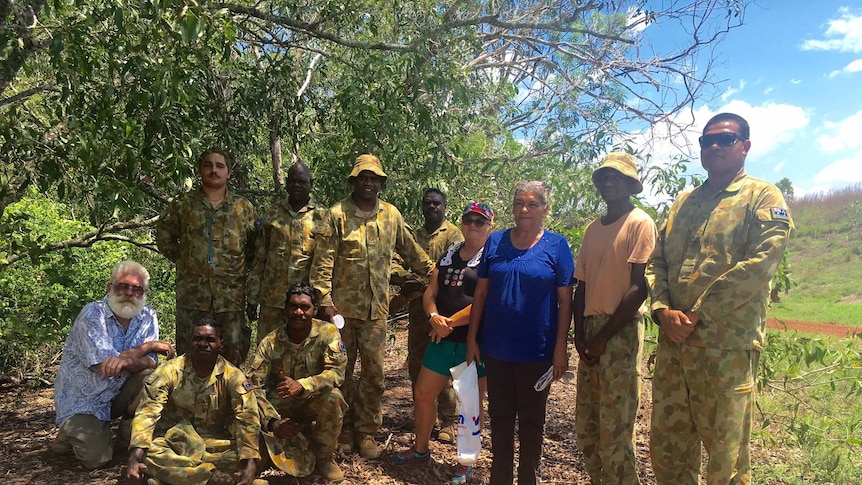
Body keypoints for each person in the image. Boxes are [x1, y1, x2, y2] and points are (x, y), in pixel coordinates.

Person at [646, 113, 793, 484]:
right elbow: (656, 260)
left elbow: (762, 264)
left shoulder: (762, 196)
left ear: (745, 146)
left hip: (724, 349)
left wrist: (699, 313)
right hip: (674, 348)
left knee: (725, 460)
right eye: (706, 141)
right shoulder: (683, 202)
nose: (713, 146)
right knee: (668, 450)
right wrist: (662, 310)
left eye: (725, 139)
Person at [309, 153, 435, 459]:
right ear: (354, 181)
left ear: (380, 183)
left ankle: (366, 432)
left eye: (374, 179)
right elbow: (322, 263)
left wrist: (435, 275)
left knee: (374, 376)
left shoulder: (391, 215)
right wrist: (324, 302)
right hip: (340, 314)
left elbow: (411, 250)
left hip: (376, 313)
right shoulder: (336, 214)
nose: (368, 183)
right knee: (341, 373)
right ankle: (343, 431)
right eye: (363, 177)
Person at [466, 181, 574, 485]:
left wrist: (560, 349)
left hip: (536, 353)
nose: (523, 210)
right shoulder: (496, 242)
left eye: (531, 204)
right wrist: (473, 339)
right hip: (497, 349)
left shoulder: (557, 246)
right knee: (500, 421)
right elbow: (482, 294)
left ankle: (529, 479)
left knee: (531, 424)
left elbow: (565, 300)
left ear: (544, 209)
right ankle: (499, 479)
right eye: (518, 203)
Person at [389, 202, 495, 485]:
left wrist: (448, 323)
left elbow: (485, 303)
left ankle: (465, 461)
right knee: (423, 393)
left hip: (471, 342)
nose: (473, 224)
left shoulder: (492, 259)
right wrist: (434, 315)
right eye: (469, 219)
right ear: (462, 223)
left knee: (470, 404)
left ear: (490, 227)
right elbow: (430, 292)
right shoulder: (449, 255)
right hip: (440, 339)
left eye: (480, 221)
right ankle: (421, 450)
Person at [572, 153, 657, 484]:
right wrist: (579, 336)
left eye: (616, 178)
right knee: (587, 427)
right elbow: (581, 286)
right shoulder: (593, 229)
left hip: (620, 332)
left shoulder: (640, 223)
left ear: (630, 184)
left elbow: (639, 289)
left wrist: (603, 337)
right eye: (604, 178)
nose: (608, 183)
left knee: (616, 430)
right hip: (591, 332)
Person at [52, 260, 174, 470]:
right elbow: (108, 365)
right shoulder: (93, 314)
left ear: (144, 292)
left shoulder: (148, 315)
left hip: (118, 393)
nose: (129, 292)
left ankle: (127, 436)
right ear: (109, 288)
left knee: (151, 376)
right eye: (123, 286)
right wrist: (149, 345)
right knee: (96, 461)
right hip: (86, 400)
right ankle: (68, 431)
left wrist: (133, 358)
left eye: (137, 289)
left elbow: (150, 364)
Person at [125, 318, 266, 485]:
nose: (203, 344)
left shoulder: (234, 376)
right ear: (190, 341)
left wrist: (250, 465)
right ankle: (215, 479)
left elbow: (247, 418)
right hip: (173, 441)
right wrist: (134, 459)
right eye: (197, 338)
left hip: (215, 443)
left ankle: (170, 478)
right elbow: (147, 413)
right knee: (151, 455)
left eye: (210, 340)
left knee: (252, 454)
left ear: (221, 343)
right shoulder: (168, 371)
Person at [156, 149, 259, 365]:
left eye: (220, 166)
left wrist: (236, 269)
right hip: (192, 295)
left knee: (232, 353)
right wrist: (186, 261)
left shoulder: (243, 208)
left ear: (229, 173)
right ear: (199, 170)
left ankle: (229, 397)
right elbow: (164, 237)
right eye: (208, 165)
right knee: (189, 353)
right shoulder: (183, 205)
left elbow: (255, 248)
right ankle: (188, 396)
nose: (214, 170)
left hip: (229, 297)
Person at [248, 282, 348, 482]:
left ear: (315, 310)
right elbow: (253, 386)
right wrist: (272, 421)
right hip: (279, 406)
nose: (299, 312)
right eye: (293, 306)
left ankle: (323, 457)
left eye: (305, 307)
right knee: (247, 410)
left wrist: (303, 385)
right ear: (285, 310)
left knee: (333, 397)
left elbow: (337, 373)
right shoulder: (270, 342)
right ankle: (267, 452)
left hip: (310, 400)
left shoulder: (328, 333)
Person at [390, 188, 463, 443]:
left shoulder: (454, 236)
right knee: (417, 363)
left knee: (441, 364)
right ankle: (423, 414)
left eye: (437, 203)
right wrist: (403, 277)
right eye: (427, 203)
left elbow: (451, 272)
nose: (432, 207)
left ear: (445, 206)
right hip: (417, 311)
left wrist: (420, 284)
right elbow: (396, 260)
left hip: (442, 311)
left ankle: (449, 420)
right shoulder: (413, 236)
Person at [247, 162, 326, 343]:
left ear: (311, 183)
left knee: (305, 351)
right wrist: (252, 297)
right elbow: (260, 258)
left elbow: (326, 264)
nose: (296, 185)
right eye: (292, 181)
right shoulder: (272, 213)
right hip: (273, 301)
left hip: (305, 304)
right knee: (267, 350)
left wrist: (322, 301)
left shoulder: (322, 216)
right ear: (287, 183)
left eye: (302, 181)